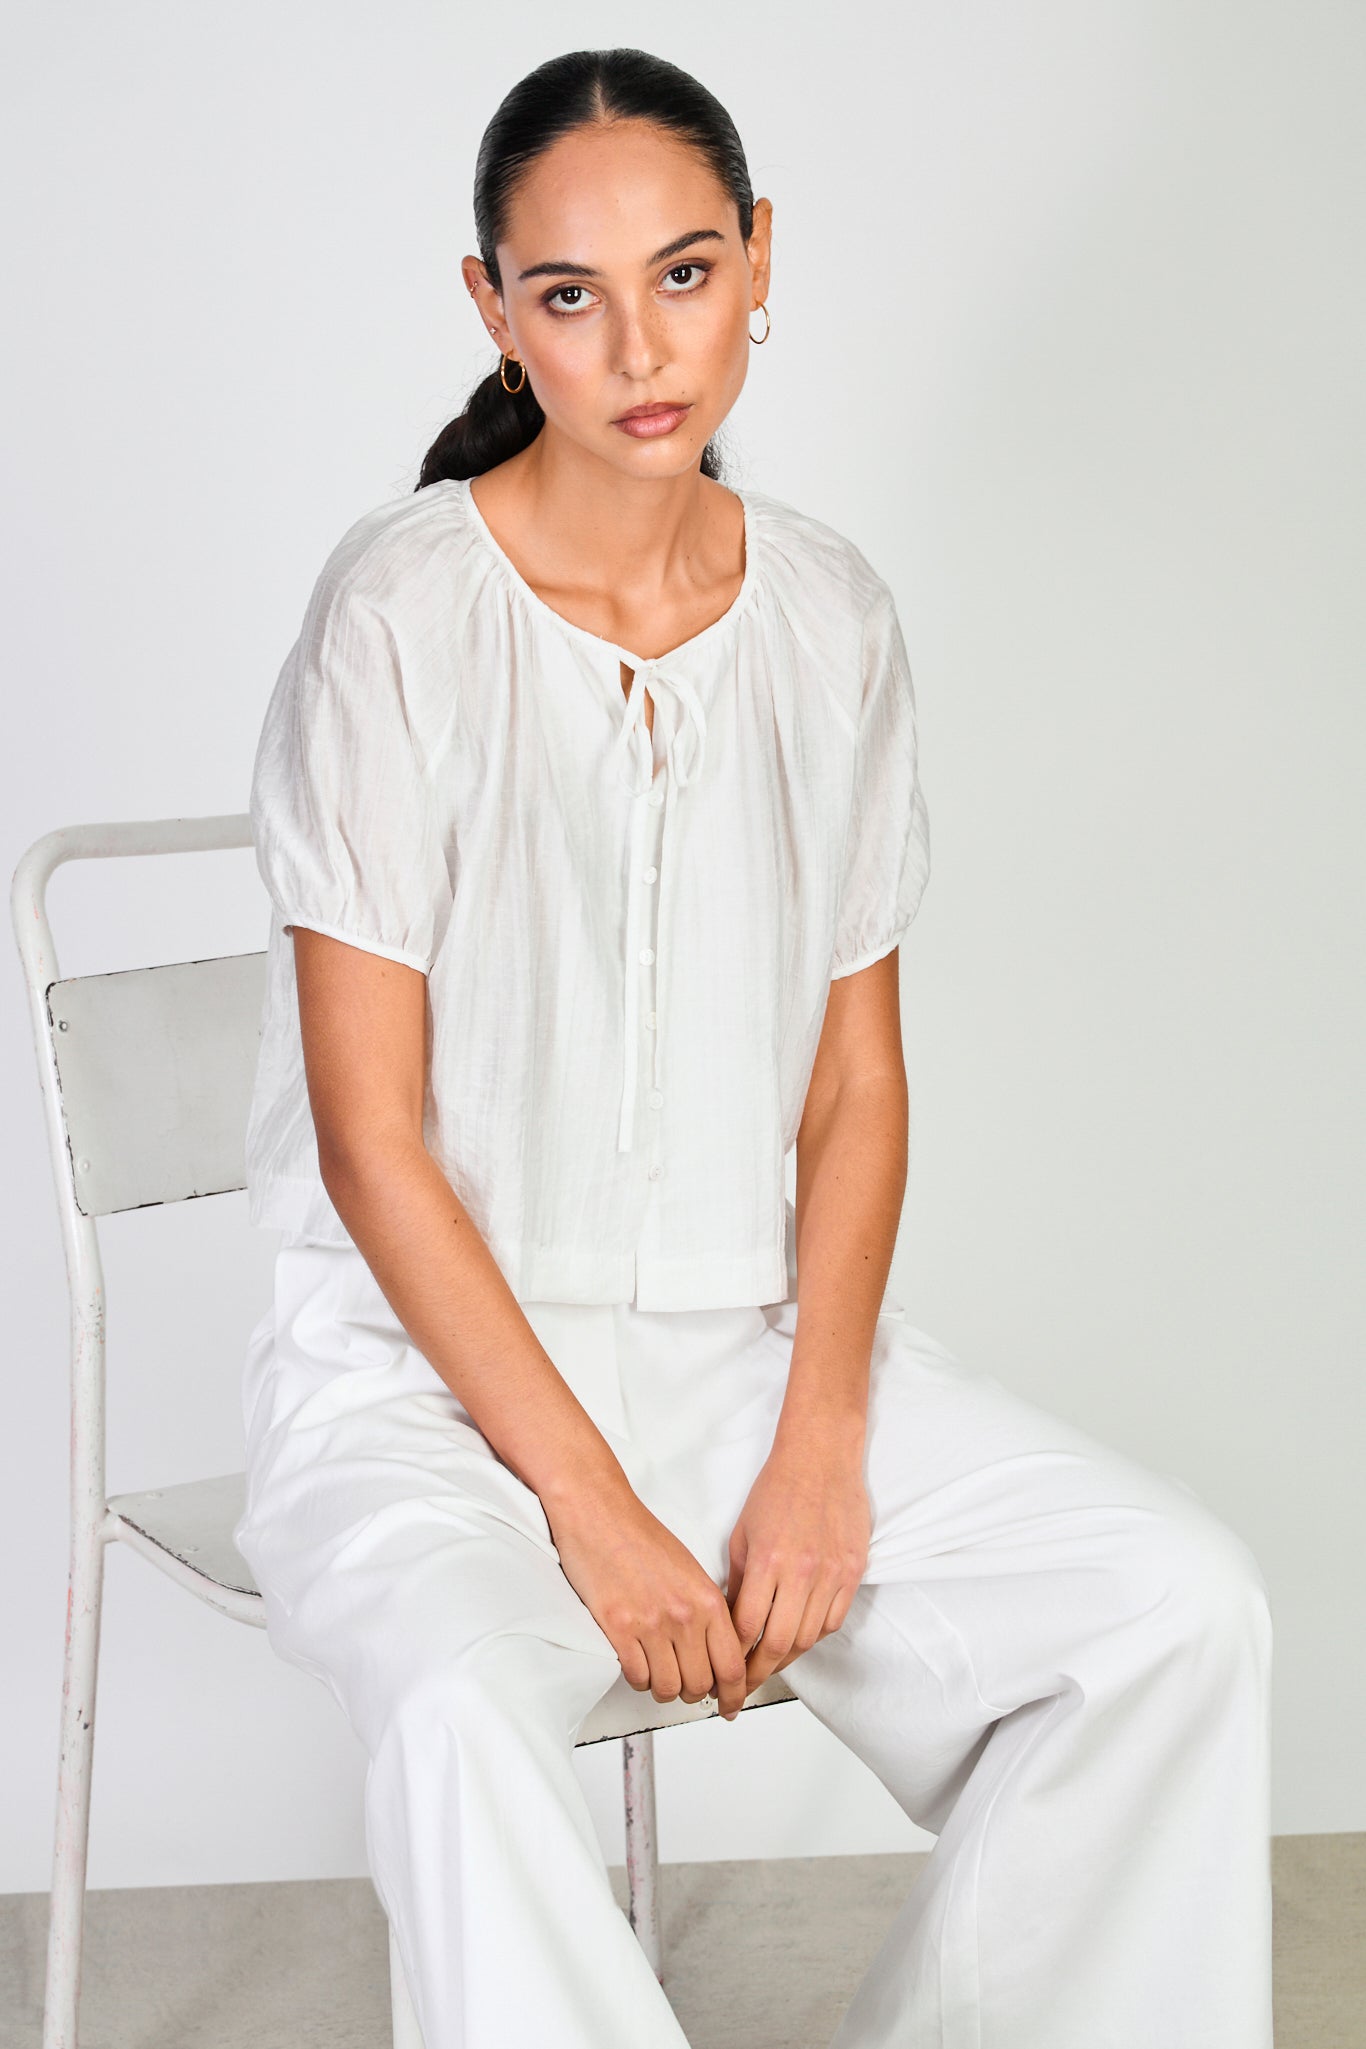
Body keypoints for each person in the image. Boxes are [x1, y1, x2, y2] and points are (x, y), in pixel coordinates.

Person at [233, 45, 1274, 2049]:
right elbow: (369, 1141)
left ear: (759, 259)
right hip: (421, 1391)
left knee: (1176, 1605)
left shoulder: (829, 617)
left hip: (740, 1357)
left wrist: (818, 1443)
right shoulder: (396, 614)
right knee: (459, 1714)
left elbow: (852, 1086)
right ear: (492, 308)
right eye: (569, 293)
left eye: (686, 273)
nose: (641, 348)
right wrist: (591, 1507)